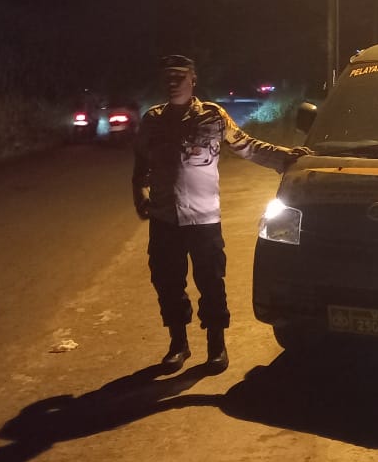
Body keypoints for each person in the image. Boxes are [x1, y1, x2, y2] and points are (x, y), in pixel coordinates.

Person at [132, 55, 308, 373]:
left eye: (179, 77)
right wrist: (139, 192)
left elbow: (247, 146)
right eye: (167, 78)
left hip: (204, 220)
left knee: (211, 283)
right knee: (167, 283)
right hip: (164, 219)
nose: (172, 83)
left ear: (193, 80)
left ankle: (216, 346)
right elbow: (141, 163)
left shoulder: (213, 116)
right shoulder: (153, 120)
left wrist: (286, 158)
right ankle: (178, 345)